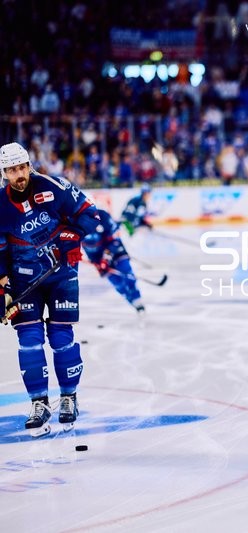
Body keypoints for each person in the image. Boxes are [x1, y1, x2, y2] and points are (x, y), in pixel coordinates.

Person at [0, 142, 98, 437]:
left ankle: (69, 397)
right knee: (29, 340)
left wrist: (72, 235)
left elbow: (90, 215)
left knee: (60, 337)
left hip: (61, 273)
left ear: (29, 166)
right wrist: (2, 284)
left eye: (22, 168)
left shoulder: (55, 186)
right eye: (12, 170)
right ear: (4, 173)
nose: (19, 175)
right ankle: (39, 404)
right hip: (23, 281)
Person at [82, 208, 145, 313]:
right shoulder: (73, 220)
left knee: (127, 273)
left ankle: (137, 299)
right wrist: (97, 262)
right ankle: (132, 301)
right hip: (97, 256)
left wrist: (106, 258)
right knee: (117, 282)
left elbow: (114, 239)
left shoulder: (103, 216)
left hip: (115, 251)